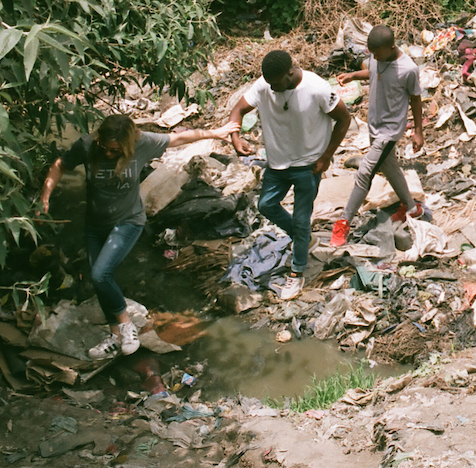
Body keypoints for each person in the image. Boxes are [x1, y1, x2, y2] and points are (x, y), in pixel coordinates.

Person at [38, 114, 239, 359]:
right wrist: (45, 196)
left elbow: (178, 138)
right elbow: (60, 165)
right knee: (100, 282)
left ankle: (126, 326)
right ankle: (115, 337)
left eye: (115, 151)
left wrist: (216, 132)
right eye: (105, 147)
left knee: (100, 274)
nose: (108, 154)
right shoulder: (88, 145)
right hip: (96, 224)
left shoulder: (143, 143)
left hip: (128, 221)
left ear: (128, 145)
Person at [228, 50, 351, 299]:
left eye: (276, 83)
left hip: (308, 165)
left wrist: (327, 156)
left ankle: (297, 273)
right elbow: (238, 110)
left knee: (301, 218)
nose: (272, 89)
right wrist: (235, 137)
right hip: (277, 164)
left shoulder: (316, 88)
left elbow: (344, 119)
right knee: (266, 205)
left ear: (290, 72)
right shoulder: (264, 85)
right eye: (269, 84)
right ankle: (303, 239)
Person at [330, 26, 427, 248]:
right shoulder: (377, 57)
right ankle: (412, 208)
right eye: (371, 53)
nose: (374, 57)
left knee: (365, 171)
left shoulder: (408, 69)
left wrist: (418, 131)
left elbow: (415, 99)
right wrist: (353, 75)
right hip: (374, 125)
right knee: (390, 167)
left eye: (377, 53)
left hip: (389, 131)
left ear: (391, 47)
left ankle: (343, 223)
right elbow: (375, 73)